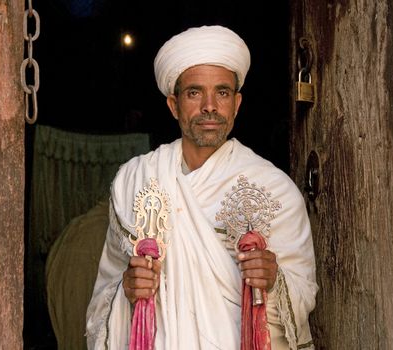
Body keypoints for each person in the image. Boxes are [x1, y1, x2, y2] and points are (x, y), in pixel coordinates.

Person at [86, 25, 318, 349]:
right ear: (173, 105)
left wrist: (274, 280)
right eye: (195, 92)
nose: (210, 106)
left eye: (222, 92)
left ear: (236, 104)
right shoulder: (135, 182)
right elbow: (103, 295)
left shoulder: (275, 191)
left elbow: (304, 294)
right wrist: (127, 287)